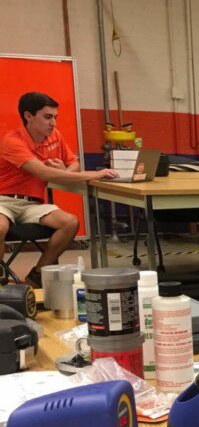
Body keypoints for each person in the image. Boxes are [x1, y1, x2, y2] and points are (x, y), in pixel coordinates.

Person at [0, 92, 118, 286]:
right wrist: (95, 174)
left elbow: (73, 165)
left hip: (33, 204)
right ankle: (1, 276)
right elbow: (45, 174)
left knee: (70, 222)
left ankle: (37, 275)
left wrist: (66, 170)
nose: (53, 123)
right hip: (4, 200)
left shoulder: (55, 136)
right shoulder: (12, 141)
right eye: (47, 117)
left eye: (55, 117)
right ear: (28, 116)